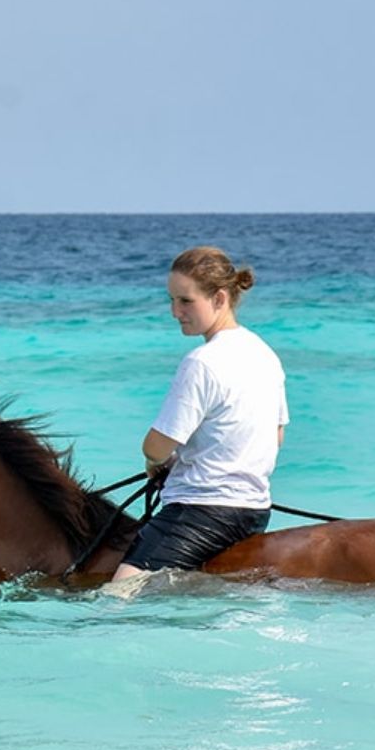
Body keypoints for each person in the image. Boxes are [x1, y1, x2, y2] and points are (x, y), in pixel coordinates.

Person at [112, 246, 288, 580]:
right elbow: (275, 436)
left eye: (186, 301)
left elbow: (156, 446)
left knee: (118, 593)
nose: (175, 311)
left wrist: (157, 462)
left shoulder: (201, 362)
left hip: (200, 510)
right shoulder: (265, 354)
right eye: (172, 300)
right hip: (254, 511)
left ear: (220, 298)